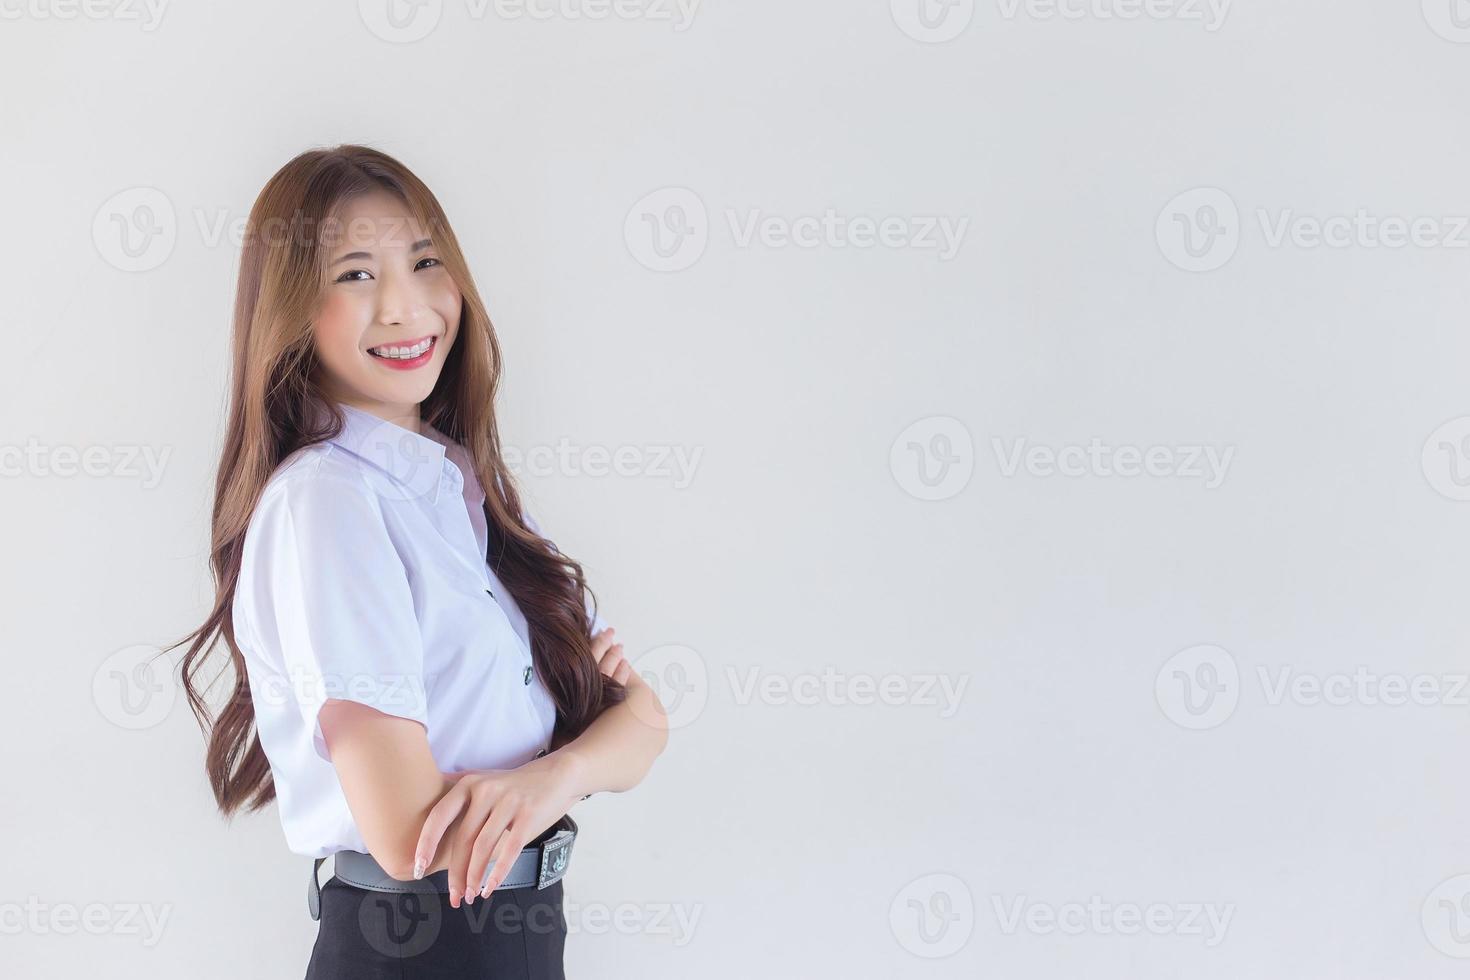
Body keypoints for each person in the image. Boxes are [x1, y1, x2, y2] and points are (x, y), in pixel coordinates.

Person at [170, 144, 669, 979]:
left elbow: (647, 725)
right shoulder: (328, 502)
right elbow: (410, 836)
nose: (407, 306)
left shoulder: (459, 485)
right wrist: (581, 750)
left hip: (516, 937)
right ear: (292, 310)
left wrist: (550, 778)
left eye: (426, 262)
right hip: (420, 943)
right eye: (357, 274)